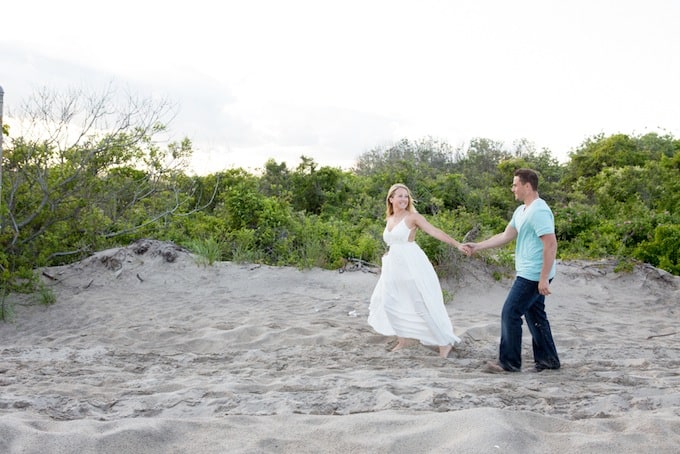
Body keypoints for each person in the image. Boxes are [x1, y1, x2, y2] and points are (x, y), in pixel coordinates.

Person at [463, 168, 561, 373]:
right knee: (535, 315)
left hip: (533, 273)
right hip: (529, 271)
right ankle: (548, 360)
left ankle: (509, 363)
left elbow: (550, 244)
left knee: (510, 313)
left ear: (527, 186)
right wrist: (478, 246)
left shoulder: (539, 211)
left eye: (515, 184)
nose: (512, 189)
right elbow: (505, 235)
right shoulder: (522, 211)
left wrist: (543, 278)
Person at [368, 183, 465, 358]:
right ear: (391, 199)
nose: (404, 199)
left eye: (406, 196)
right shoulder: (389, 219)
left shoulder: (413, 217)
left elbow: (434, 231)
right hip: (392, 266)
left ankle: (444, 342)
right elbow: (392, 242)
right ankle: (403, 340)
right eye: (399, 196)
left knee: (420, 305)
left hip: (410, 264)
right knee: (389, 303)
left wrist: (456, 244)